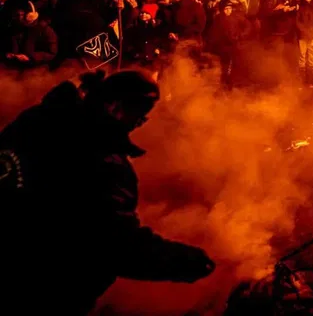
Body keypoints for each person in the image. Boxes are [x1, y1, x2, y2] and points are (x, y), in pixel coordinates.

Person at [0, 70, 214, 314]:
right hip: (45, 292)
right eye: (139, 116)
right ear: (114, 107)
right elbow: (114, 244)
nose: (137, 124)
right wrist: (184, 261)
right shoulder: (103, 163)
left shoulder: (34, 121)